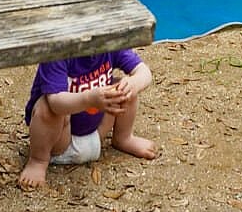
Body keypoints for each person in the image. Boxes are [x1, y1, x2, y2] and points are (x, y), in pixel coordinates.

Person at [20, 47, 155, 187]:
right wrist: (88, 99)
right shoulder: (57, 51)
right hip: (61, 141)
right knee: (46, 107)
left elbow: (144, 72)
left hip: (97, 132)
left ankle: (124, 138)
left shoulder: (110, 43)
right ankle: (38, 160)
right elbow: (56, 103)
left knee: (123, 89)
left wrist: (133, 83)